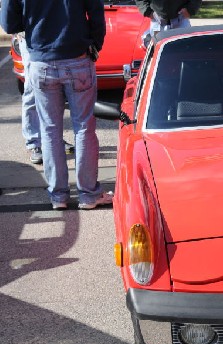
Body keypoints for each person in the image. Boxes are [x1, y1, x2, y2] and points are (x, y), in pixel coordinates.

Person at [1, 0, 113, 210]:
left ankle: (58, 195)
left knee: (50, 130)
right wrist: (94, 44)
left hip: (41, 60)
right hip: (78, 59)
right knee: (84, 128)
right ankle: (88, 194)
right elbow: (96, 13)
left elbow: (9, 23)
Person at [16, 33, 75, 164]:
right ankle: (34, 143)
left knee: (54, 89)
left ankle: (54, 139)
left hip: (52, 35)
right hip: (30, 39)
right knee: (32, 90)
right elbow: (8, 17)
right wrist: (18, 29)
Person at [135, 0, 203, 33]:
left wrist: (190, 9)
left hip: (181, 18)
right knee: (157, 53)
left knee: (184, 52)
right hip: (157, 20)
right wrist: (148, 12)